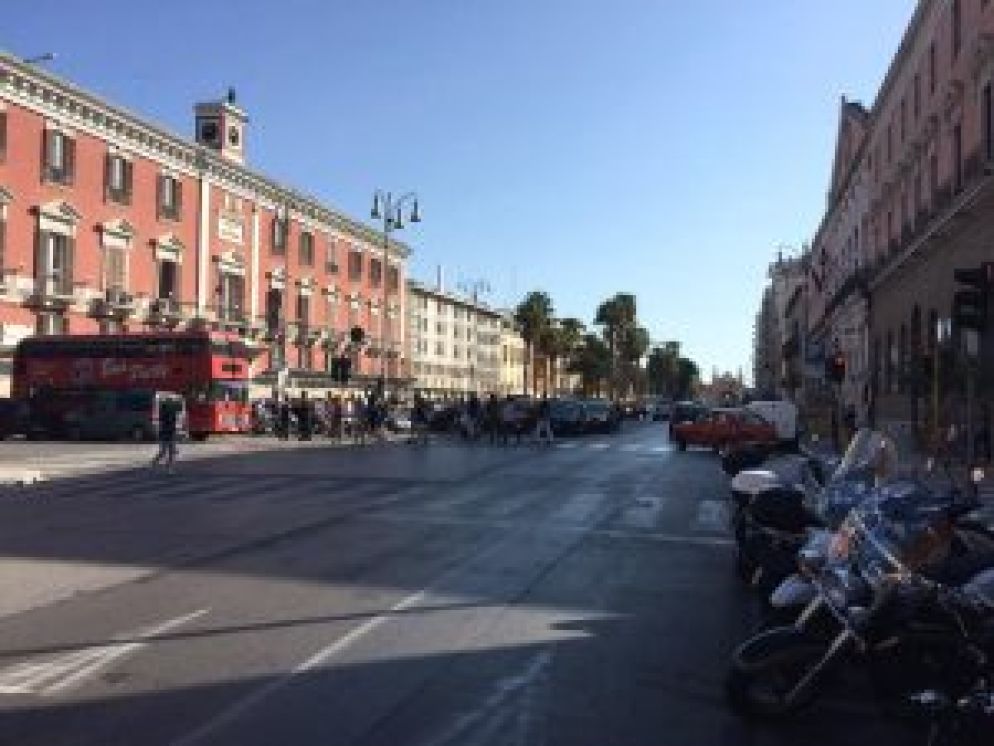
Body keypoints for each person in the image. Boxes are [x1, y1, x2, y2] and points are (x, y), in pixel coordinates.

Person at [151, 396, 180, 470]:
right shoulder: (165, 413)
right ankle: (160, 463)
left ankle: (168, 466)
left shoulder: (168, 413)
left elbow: (173, 423)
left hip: (168, 433)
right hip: (167, 433)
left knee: (168, 452)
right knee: (166, 452)